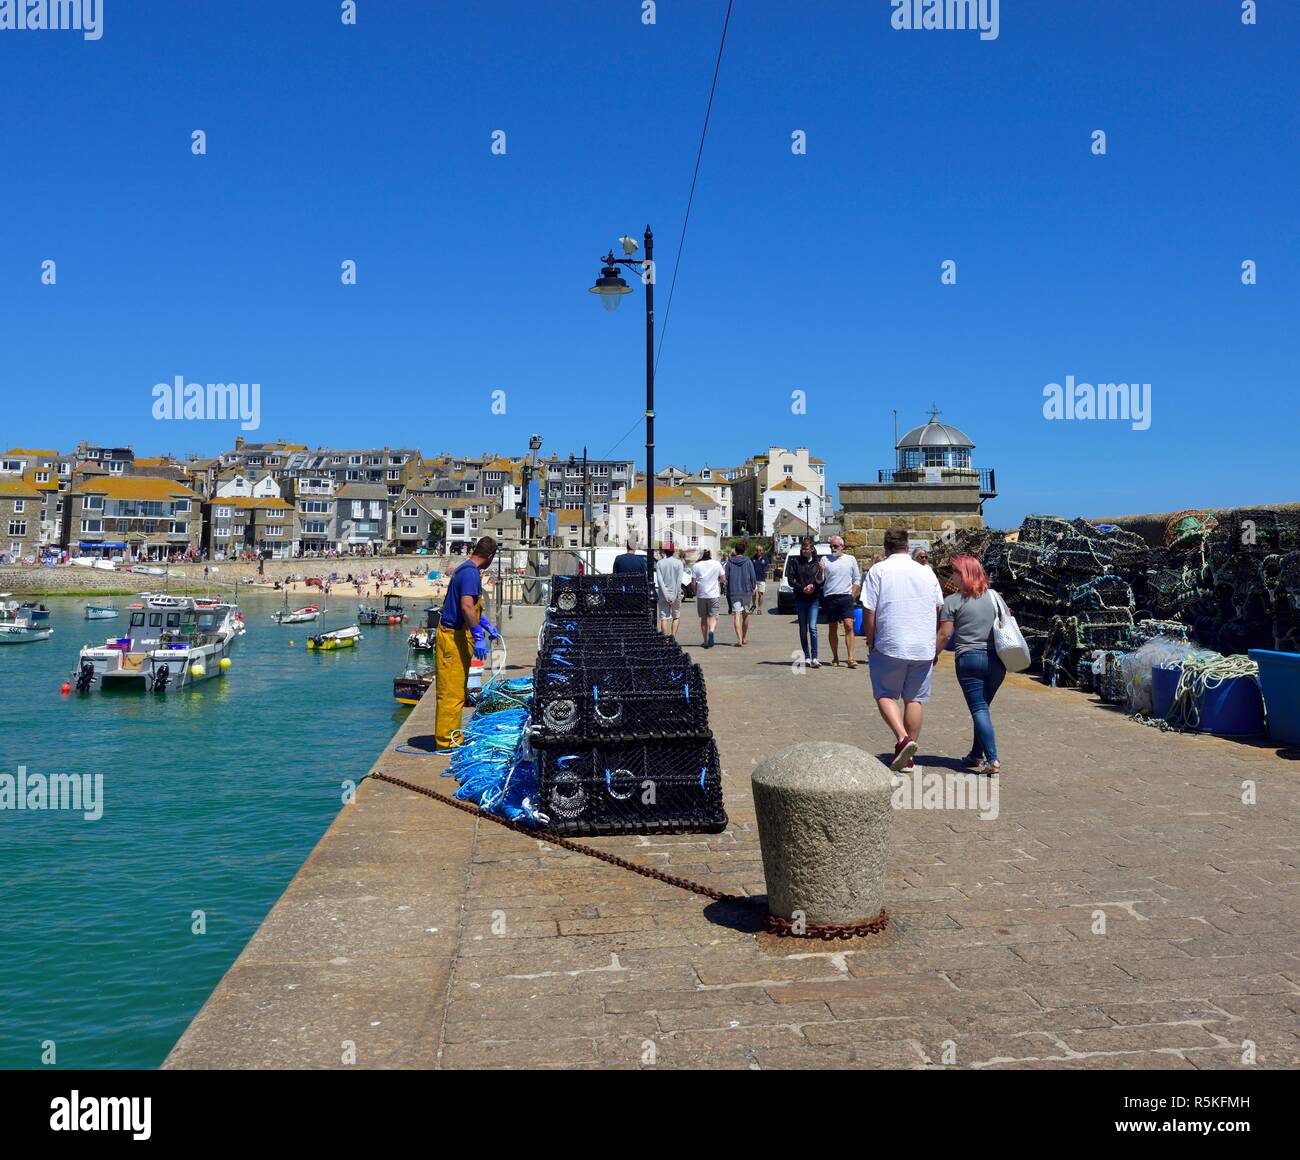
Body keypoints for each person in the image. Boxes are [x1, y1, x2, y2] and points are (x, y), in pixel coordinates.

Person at [861, 527, 944, 771]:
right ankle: (908, 758)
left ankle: (902, 738)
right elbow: (938, 608)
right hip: (923, 645)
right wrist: (933, 641)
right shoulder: (926, 572)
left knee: (885, 694)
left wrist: (870, 638)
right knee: (915, 698)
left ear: (886, 548)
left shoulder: (879, 570)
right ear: (908, 547)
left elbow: (869, 610)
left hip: (891, 643)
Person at [937, 554, 1005, 775]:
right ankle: (976, 754)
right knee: (983, 707)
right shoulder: (995, 597)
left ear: (963, 574)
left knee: (978, 708)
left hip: (969, 659)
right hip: (997, 660)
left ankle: (992, 759)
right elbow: (1008, 621)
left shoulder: (952, 601)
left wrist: (932, 655)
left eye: (954, 572)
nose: (951, 576)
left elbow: (945, 635)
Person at [433, 536, 499, 753]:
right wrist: (478, 635)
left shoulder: (465, 569)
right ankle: (446, 742)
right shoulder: (471, 573)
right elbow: (466, 607)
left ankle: (453, 735)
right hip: (452, 637)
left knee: (458, 690)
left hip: (457, 635)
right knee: (451, 692)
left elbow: (471, 608)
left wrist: (486, 624)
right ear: (489, 556)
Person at [822, 536, 862, 668]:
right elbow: (819, 580)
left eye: (835, 546)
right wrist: (819, 572)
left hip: (846, 597)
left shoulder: (850, 559)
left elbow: (857, 579)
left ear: (842, 546)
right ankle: (835, 657)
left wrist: (852, 595)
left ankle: (851, 657)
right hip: (830, 596)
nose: (833, 549)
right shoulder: (825, 560)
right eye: (831, 546)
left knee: (849, 625)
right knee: (832, 627)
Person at [784, 536, 823, 668]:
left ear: (811, 549)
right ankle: (806, 656)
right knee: (802, 628)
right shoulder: (796, 562)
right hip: (801, 599)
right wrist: (802, 588)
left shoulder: (817, 563)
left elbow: (821, 581)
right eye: (802, 548)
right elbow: (791, 580)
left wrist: (813, 586)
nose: (803, 551)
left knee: (812, 627)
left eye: (806, 548)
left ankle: (815, 657)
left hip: (813, 599)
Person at [723, 541, 757, 647]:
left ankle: (739, 639)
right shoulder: (748, 561)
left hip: (734, 591)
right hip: (746, 591)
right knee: (746, 615)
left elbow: (726, 578)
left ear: (735, 550)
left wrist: (726, 590)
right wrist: (753, 586)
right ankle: (744, 637)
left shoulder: (729, 562)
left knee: (736, 615)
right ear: (744, 551)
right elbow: (753, 576)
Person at [691, 549, 724, 648]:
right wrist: (716, 581)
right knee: (713, 616)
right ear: (710, 555)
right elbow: (723, 579)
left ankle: (705, 641)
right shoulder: (717, 564)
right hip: (714, 595)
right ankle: (711, 631)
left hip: (701, 595)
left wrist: (694, 591)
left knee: (703, 618)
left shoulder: (696, 566)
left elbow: (693, 582)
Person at [655, 542, 684, 637]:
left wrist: (667, 596)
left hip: (663, 594)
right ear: (673, 551)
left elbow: (660, 581)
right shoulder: (679, 563)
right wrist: (673, 596)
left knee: (664, 617)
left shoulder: (659, 563)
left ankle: (666, 640)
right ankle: (673, 638)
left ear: (664, 551)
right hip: (675, 594)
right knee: (676, 616)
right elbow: (679, 581)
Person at [751, 544, 768, 612]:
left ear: (762, 551)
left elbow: (766, 567)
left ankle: (759, 608)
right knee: (753, 593)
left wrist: (763, 572)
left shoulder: (765, 558)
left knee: (761, 594)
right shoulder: (752, 558)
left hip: (761, 579)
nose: (759, 551)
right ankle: (754, 605)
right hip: (753, 579)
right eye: (757, 550)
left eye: (760, 550)